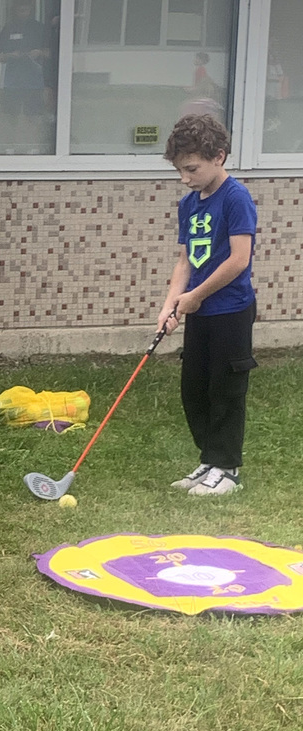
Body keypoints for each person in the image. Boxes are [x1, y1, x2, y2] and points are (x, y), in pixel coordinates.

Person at [157, 114, 258, 496]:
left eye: (192, 169)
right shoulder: (189, 204)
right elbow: (185, 261)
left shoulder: (236, 198)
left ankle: (227, 468)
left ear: (219, 156)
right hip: (198, 311)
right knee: (194, 389)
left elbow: (238, 259)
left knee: (226, 390)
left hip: (230, 310)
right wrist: (170, 306)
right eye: (180, 170)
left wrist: (195, 297)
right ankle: (208, 460)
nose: (185, 178)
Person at [0, 1, 48, 131]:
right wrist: (11, 55)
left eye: (26, 9)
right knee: (11, 116)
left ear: (30, 9)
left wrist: (39, 52)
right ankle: (10, 148)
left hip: (33, 80)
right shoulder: (8, 28)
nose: (23, 12)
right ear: (15, 10)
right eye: (20, 10)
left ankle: (34, 149)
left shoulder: (39, 28)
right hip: (13, 81)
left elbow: (52, 53)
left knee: (34, 116)